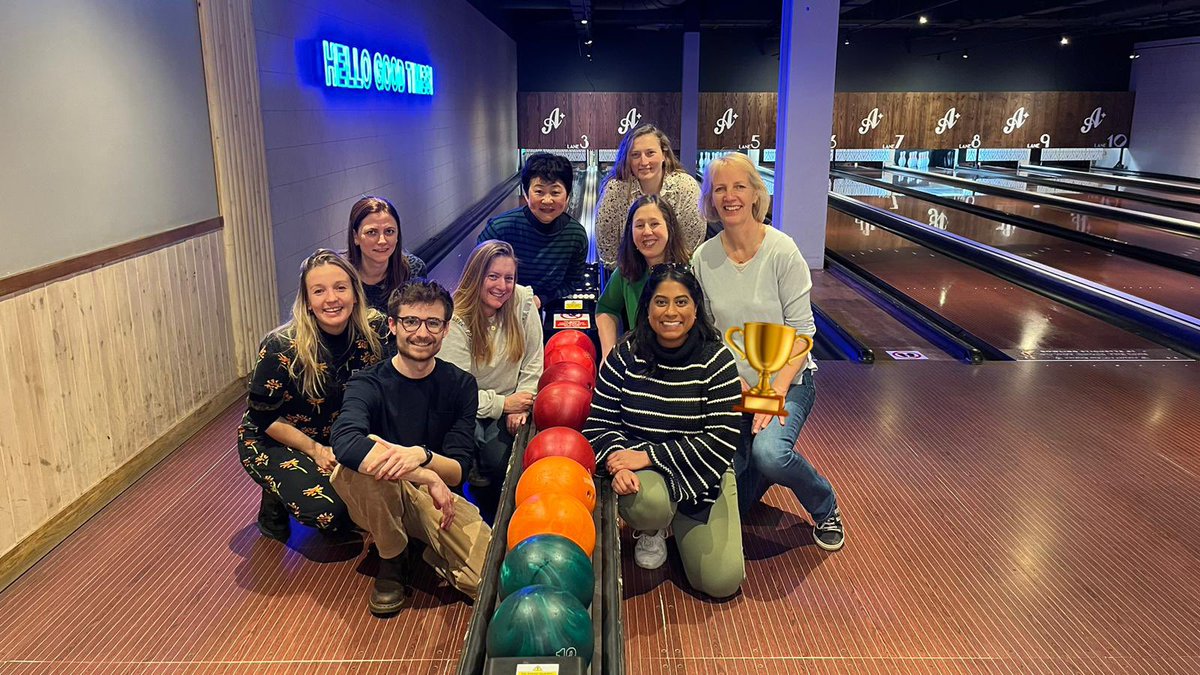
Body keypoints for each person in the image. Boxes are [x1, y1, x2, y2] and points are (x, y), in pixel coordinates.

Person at [691, 152, 845, 552]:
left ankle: (825, 506)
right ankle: (756, 467)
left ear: (756, 194)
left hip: (789, 382)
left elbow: (803, 332)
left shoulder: (782, 251)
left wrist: (773, 393)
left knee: (771, 454)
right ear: (710, 198)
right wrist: (734, 382)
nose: (730, 197)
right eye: (720, 189)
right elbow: (707, 335)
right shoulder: (703, 258)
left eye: (739, 186)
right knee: (731, 498)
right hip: (734, 387)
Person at [330, 280, 490, 617]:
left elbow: (458, 469)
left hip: (437, 499)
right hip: (383, 491)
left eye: (433, 323)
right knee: (362, 465)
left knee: (487, 581)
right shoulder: (366, 382)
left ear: (445, 329)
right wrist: (425, 473)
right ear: (393, 325)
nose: (422, 333)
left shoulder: (461, 385)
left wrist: (424, 456)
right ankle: (392, 558)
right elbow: (344, 442)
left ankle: (424, 544)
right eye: (411, 321)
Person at [582, 265, 744, 599]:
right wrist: (617, 461)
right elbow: (598, 425)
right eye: (661, 302)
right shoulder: (625, 356)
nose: (671, 312)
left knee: (722, 583)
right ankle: (653, 528)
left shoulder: (717, 361)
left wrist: (648, 455)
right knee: (648, 505)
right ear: (647, 308)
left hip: (702, 476)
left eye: (681, 302)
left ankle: (683, 519)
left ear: (696, 309)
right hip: (646, 478)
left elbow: (721, 440)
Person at [237, 249, 386, 540]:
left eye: (340, 288)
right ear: (306, 301)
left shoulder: (375, 329)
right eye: (319, 291)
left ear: (355, 293)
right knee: (332, 512)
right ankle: (274, 499)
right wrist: (316, 451)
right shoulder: (281, 346)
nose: (331, 299)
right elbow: (265, 417)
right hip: (275, 436)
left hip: (338, 433)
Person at [440, 240, 543, 514]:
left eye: (509, 278)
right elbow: (458, 393)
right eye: (493, 276)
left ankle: (501, 511)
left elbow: (534, 361)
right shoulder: (455, 319)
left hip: (512, 400)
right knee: (467, 453)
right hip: (468, 407)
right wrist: (504, 404)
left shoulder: (522, 301)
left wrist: (523, 400)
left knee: (499, 460)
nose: (502, 286)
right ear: (476, 276)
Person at [476, 152, 588, 310]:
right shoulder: (499, 229)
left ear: (568, 195)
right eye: (539, 192)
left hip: (546, 305)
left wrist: (541, 299)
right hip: (501, 306)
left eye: (555, 193)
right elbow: (477, 275)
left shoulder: (576, 235)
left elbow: (573, 282)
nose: (547, 200)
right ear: (526, 194)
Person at [595, 195, 692, 362]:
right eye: (639, 225)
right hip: (642, 363)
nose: (647, 232)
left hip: (684, 363)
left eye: (654, 224)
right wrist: (608, 355)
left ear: (670, 227)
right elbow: (606, 308)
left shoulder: (690, 270)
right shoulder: (626, 272)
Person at [594, 125, 705, 268]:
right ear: (627, 159)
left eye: (650, 153)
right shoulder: (614, 190)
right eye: (635, 155)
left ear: (664, 154)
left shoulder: (686, 187)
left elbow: (690, 247)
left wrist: (664, 274)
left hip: (676, 274)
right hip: (628, 273)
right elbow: (607, 251)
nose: (644, 162)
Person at [346, 195, 428, 313]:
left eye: (389, 231)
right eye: (371, 232)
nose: (382, 241)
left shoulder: (413, 269)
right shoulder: (341, 273)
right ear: (355, 237)